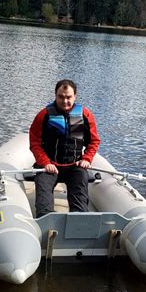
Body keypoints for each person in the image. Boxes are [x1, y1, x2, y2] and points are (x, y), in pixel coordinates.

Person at [29, 79, 101, 218]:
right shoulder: (44, 115)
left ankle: (79, 219)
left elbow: (94, 141)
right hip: (49, 166)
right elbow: (35, 143)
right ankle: (46, 218)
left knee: (80, 192)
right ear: (55, 95)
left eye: (68, 97)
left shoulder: (85, 115)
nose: (65, 101)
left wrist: (87, 159)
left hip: (75, 165)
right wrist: (45, 163)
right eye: (61, 97)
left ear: (75, 96)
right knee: (43, 195)